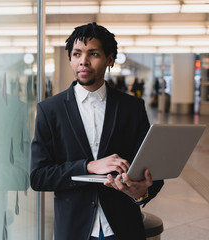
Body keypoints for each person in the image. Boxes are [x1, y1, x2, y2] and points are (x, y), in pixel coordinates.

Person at [30, 22, 164, 240]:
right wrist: (89, 166)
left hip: (122, 228)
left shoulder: (132, 108)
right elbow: (39, 177)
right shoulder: (49, 110)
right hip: (74, 229)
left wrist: (142, 192)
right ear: (71, 59)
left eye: (93, 53)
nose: (84, 61)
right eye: (76, 54)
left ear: (110, 59)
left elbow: (152, 172)